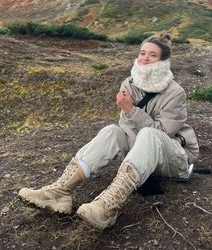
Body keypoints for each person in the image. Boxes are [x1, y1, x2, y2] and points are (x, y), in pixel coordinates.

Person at [19, 32, 199, 230]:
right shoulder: (128, 84)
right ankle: (61, 191)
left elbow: (164, 133)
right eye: (142, 53)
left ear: (164, 60)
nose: (144, 58)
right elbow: (126, 129)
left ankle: (108, 207)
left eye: (152, 55)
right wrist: (129, 137)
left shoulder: (175, 92)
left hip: (174, 158)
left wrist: (131, 110)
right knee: (112, 131)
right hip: (143, 156)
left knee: (149, 134)